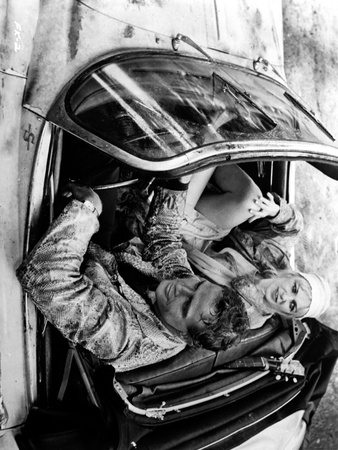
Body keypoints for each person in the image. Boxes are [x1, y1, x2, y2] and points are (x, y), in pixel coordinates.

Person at [16, 178, 249, 373]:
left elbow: (45, 279)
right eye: (197, 285)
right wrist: (178, 182)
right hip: (99, 253)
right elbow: (164, 240)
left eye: (186, 304)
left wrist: (87, 210)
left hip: (56, 269)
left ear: (184, 337)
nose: (181, 287)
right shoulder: (185, 286)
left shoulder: (121, 338)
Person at [179, 164, 331, 328]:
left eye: (292, 305)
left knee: (180, 216)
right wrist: (276, 212)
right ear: (293, 275)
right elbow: (294, 228)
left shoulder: (250, 317)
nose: (284, 297)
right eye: (294, 288)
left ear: (288, 314)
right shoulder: (276, 258)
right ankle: (209, 155)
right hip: (210, 232)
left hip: (181, 259)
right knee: (252, 201)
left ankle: (200, 156)